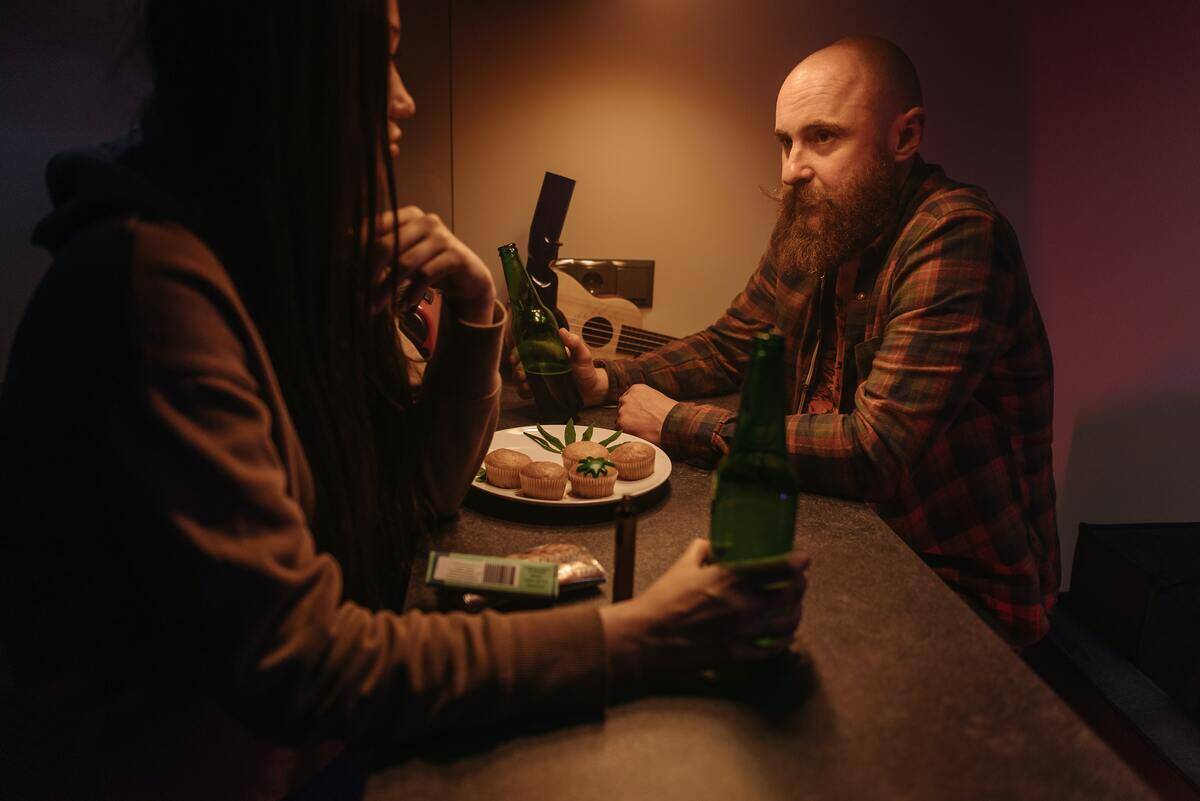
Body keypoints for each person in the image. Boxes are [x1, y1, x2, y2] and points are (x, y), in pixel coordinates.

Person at [0, 2, 809, 799]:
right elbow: (303, 662)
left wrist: (471, 312)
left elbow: (424, 491)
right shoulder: (150, 292)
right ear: (286, 72)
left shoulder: (264, 266)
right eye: (380, 55)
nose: (405, 97)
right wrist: (641, 635)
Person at [514, 36, 1057, 649]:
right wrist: (607, 379)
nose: (791, 170)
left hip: (958, 587)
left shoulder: (955, 235)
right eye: (784, 141)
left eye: (822, 137)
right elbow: (731, 345)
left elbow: (872, 449)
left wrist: (677, 423)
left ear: (905, 138)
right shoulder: (819, 220)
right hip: (847, 536)